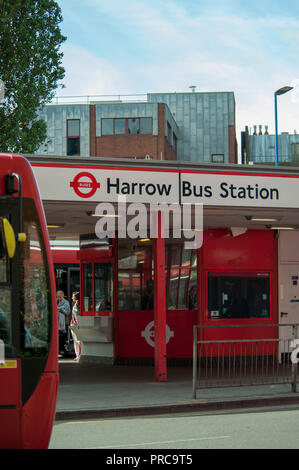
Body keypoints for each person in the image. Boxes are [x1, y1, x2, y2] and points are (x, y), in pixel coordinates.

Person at [57, 290, 71, 355]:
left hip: (63, 322)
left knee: (62, 336)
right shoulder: (55, 301)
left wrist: (60, 309)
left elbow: (68, 312)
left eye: (60, 297)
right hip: (56, 322)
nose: (58, 298)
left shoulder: (66, 302)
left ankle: (62, 349)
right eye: (57, 297)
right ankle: (59, 349)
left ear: (62, 296)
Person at [70, 291, 81, 360]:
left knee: (78, 340)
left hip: (77, 324)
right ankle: (77, 354)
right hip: (73, 323)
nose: (72, 298)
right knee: (75, 340)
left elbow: (77, 314)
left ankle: (79, 354)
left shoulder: (78, 306)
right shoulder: (74, 305)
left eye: (73, 296)